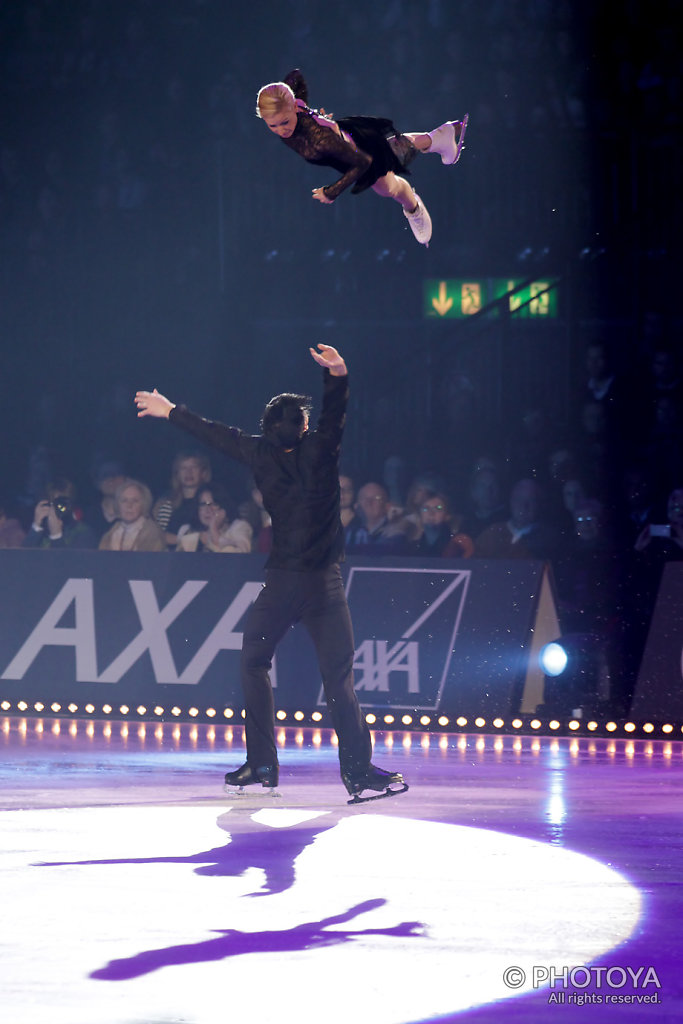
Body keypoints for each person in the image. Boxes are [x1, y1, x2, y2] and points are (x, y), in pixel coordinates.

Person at [135, 344, 406, 803]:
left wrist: (171, 412)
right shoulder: (320, 449)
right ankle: (358, 774)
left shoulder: (258, 453)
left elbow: (215, 434)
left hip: (282, 584)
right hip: (324, 585)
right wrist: (337, 374)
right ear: (303, 429)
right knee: (338, 679)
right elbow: (335, 416)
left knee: (253, 664)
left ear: (267, 428)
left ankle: (262, 765)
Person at [256, 69, 468, 246]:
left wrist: (331, 192)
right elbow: (295, 77)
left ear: (293, 108)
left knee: (389, 186)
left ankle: (413, 206)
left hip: (355, 153)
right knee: (390, 150)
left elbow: (362, 163)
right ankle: (439, 137)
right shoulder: (294, 107)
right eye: (272, 125)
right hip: (346, 139)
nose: (281, 130)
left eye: (284, 122)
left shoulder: (318, 138)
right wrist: (308, 109)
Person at [152, 449, 212, 548]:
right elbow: (159, 535)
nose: (189, 472)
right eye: (184, 468)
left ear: (203, 473)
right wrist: (187, 539)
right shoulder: (167, 503)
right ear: (177, 474)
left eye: (194, 467)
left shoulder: (211, 502)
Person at [22, 479, 97, 550]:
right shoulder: (40, 532)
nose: (56, 508)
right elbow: (22, 559)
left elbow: (68, 563)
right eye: (52, 503)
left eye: (61, 504)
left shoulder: (83, 533)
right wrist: (36, 526)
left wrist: (56, 535)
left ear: (71, 504)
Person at [176, 482, 252, 553]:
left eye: (214, 504)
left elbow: (240, 556)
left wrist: (214, 530)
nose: (208, 509)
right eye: (203, 504)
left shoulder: (239, 527)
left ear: (223, 507)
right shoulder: (186, 530)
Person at [98, 478, 167, 552]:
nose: (129, 505)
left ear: (144, 504)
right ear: (118, 504)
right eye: (124, 501)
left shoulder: (153, 534)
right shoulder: (109, 535)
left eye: (135, 501)